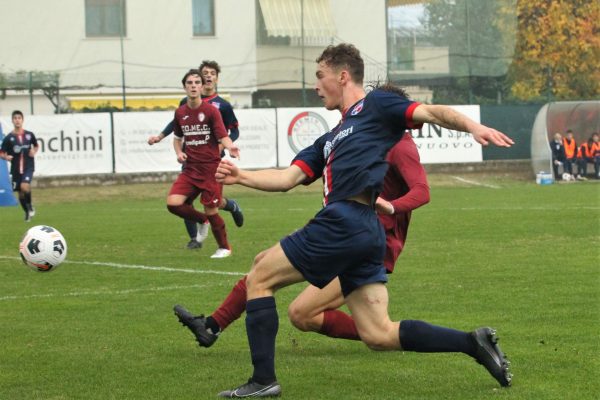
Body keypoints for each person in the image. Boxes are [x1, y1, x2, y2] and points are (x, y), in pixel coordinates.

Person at [194, 44, 514, 397]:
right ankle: (472, 342)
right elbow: (287, 179)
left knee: (259, 278)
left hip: (344, 220)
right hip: (365, 231)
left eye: (320, 76)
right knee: (378, 334)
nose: (316, 86)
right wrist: (242, 176)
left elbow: (431, 112)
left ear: (342, 76)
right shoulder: (330, 138)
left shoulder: (375, 106)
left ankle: (263, 380)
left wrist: (473, 127)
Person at [174, 132, 430, 347]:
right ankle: (212, 326)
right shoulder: (342, 136)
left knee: (277, 282)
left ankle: (390, 336)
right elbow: (288, 177)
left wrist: (391, 207)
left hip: (371, 245)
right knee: (300, 312)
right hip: (342, 235)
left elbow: (421, 191)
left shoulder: (398, 142)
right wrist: (242, 176)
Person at [149, 60, 243, 250]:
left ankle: (230, 206)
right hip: (191, 159)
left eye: (212, 73)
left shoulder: (221, 106)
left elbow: (232, 131)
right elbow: (177, 126)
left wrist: (224, 146)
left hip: (211, 160)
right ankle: (195, 239)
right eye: (205, 73)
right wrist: (160, 137)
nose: (208, 76)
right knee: (184, 201)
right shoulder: (185, 104)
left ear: (216, 78)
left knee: (213, 203)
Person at [0, 110, 39, 221]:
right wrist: (6, 157)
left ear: (22, 120)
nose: (17, 120)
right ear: (12, 120)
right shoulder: (9, 138)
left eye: (19, 118)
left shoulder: (29, 135)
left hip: (28, 166)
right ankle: (27, 211)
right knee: (20, 194)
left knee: (24, 186)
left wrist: (33, 151)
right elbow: (1, 152)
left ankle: (30, 206)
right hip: (16, 168)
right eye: (15, 118)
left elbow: (36, 145)